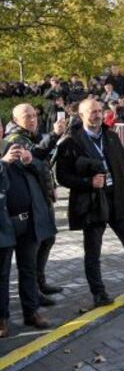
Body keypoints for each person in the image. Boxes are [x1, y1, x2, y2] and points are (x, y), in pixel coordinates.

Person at [55, 99, 124, 308]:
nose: (97, 115)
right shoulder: (71, 142)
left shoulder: (111, 136)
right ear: (81, 115)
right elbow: (62, 177)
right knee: (93, 251)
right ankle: (99, 293)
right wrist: (88, 182)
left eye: (99, 111)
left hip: (118, 199)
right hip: (92, 202)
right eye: (92, 112)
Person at [3, 103, 67, 303]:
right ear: (15, 120)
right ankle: (34, 291)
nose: (33, 119)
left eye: (34, 115)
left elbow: (43, 164)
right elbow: (35, 158)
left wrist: (51, 186)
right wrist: (54, 135)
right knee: (36, 245)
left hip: (41, 195)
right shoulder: (15, 139)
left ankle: (40, 282)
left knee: (48, 238)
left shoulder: (31, 135)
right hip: (29, 202)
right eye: (27, 116)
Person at [0, 141, 55, 336]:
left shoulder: (14, 146)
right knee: (2, 274)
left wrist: (30, 161)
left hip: (28, 222)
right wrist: (3, 163)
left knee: (28, 269)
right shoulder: (5, 157)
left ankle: (31, 312)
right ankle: (2, 319)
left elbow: (43, 171)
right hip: (3, 225)